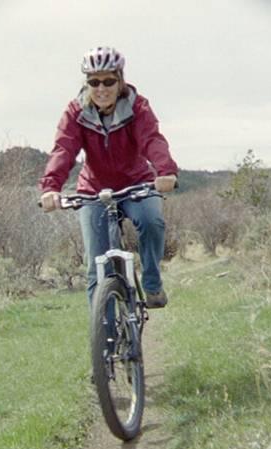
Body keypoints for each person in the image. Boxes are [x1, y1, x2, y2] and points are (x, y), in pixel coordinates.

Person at [39, 46, 179, 308]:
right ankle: (105, 339)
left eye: (108, 81)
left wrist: (165, 171)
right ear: (87, 84)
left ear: (120, 80)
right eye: (94, 82)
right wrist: (51, 187)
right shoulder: (75, 112)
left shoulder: (138, 107)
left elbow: (152, 140)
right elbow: (64, 149)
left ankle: (151, 283)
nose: (101, 88)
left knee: (152, 221)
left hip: (137, 184)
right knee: (97, 267)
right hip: (93, 190)